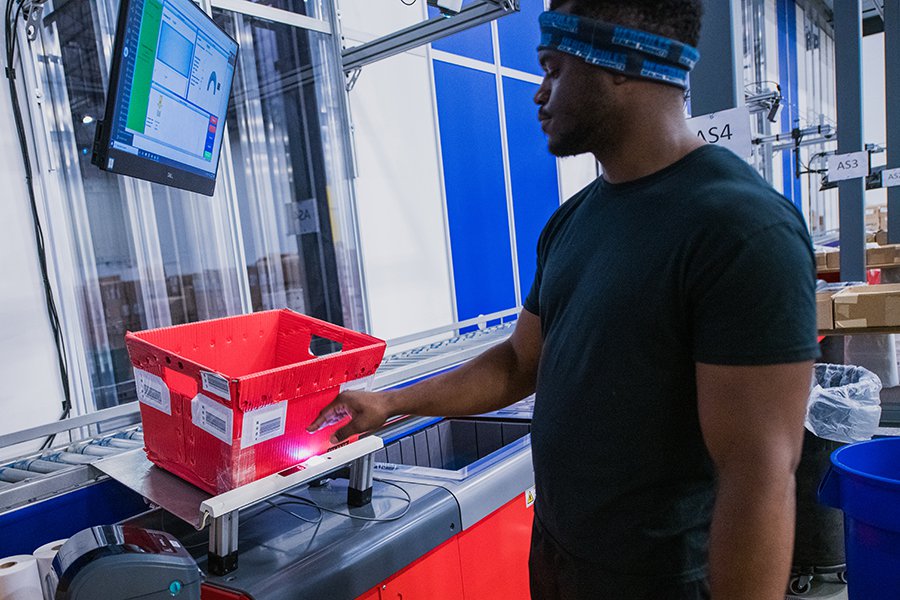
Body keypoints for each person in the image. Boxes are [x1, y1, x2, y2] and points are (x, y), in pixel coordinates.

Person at [309, 1, 819, 598]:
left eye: (553, 69)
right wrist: (390, 402)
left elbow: (757, 478)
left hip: (662, 582)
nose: (539, 93)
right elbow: (517, 364)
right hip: (560, 561)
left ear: (622, 61)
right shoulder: (573, 222)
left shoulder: (741, 230)